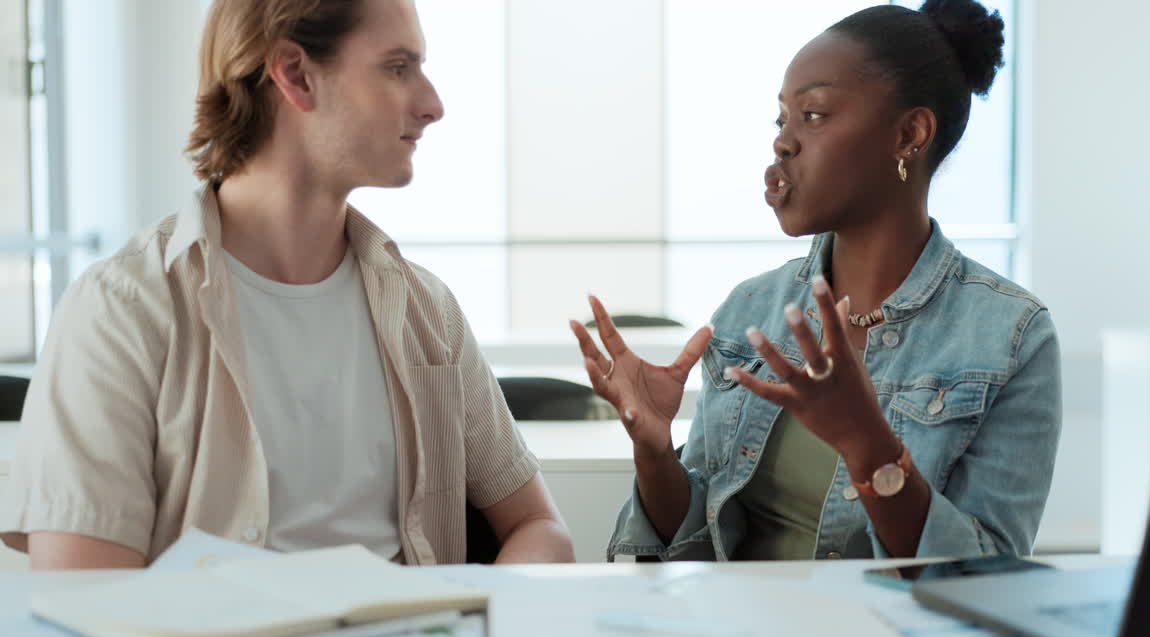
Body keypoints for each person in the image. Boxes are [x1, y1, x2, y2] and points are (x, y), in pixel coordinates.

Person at [1, 0, 574, 569]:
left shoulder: (427, 310)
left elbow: (538, 525)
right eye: (398, 68)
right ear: (296, 75)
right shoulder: (122, 311)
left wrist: (483, 625)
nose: (432, 105)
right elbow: (84, 606)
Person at [574, 0, 1061, 562]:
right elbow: (694, 547)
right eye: (781, 119)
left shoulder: (1012, 336)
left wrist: (866, 444)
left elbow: (989, 578)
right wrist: (656, 453)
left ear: (909, 133)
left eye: (814, 114)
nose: (783, 142)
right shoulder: (751, 309)